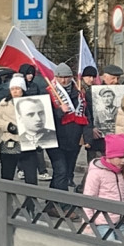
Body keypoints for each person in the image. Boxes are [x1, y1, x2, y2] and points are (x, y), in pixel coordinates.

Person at [81, 134, 124, 241]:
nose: (123, 161)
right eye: (120, 157)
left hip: (121, 221)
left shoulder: (123, 172)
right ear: (110, 155)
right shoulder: (96, 173)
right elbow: (88, 198)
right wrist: (87, 224)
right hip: (103, 222)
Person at [47, 62, 87, 193]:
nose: (64, 80)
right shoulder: (49, 92)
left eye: (67, 77)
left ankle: (52, 204)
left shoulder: (79, 92)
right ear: (56, 77)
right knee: (61, 171)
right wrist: (59, 111)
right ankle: (62, 206)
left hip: (73, 140)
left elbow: (86, 114)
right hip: (56, 139)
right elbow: (45, 116)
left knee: (65, 174)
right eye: (60, 77)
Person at [0, 75, 39, 184]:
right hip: (10, 142)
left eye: (18, 88)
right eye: (12, 89)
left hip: (28, 144)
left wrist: (42, 139)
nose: (15, 91)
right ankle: (6, 200)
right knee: (7, 177)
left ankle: (30, 200)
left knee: (31, 179)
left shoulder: (32, 103)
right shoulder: (4, 103)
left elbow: (40, 121)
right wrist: (7, 126)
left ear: (23, 89)